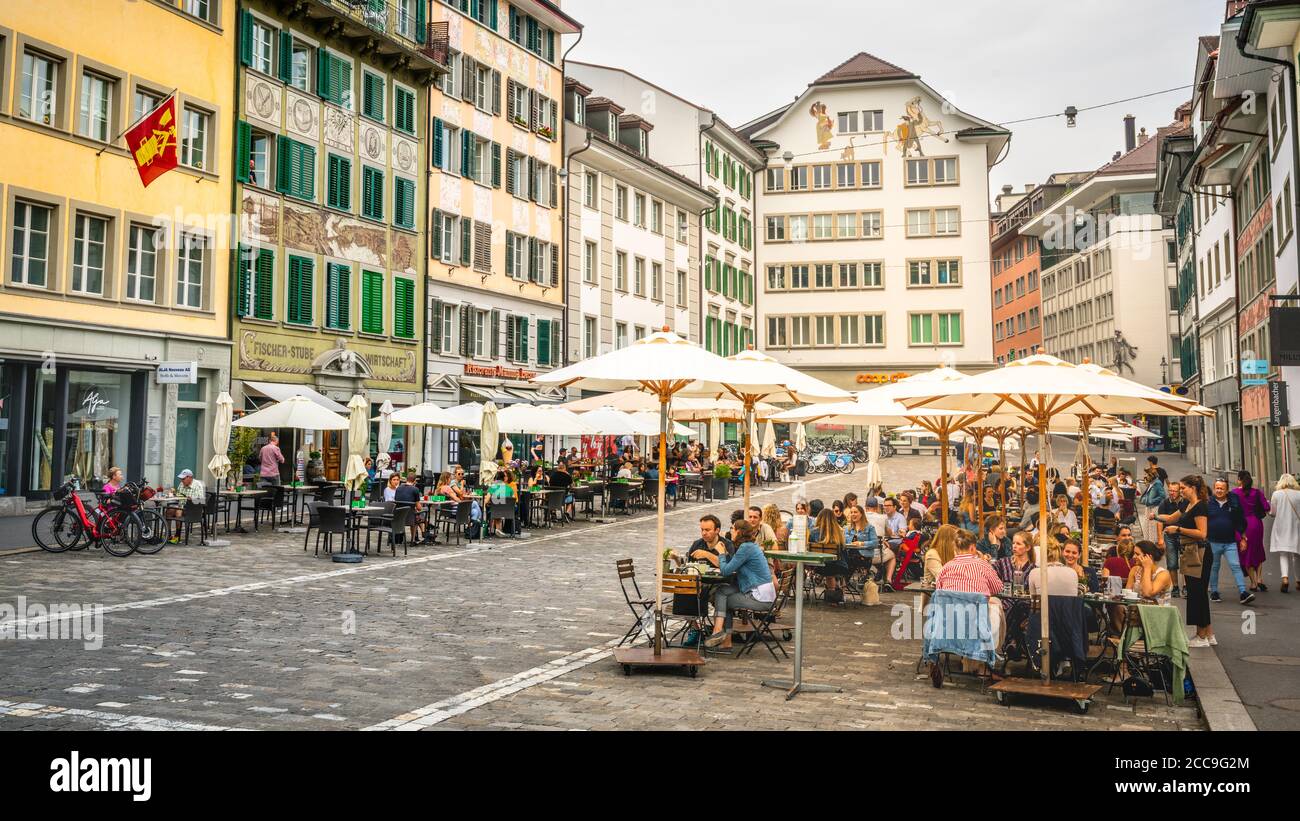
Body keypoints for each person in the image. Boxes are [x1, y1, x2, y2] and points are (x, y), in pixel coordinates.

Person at [932, 528, 1005, 684]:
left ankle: (970, 662)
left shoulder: (946, 568)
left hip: (950, 624)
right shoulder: (982, 565)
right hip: (976, 623)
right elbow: (998, 588)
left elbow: (939, 591)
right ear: (973, 547)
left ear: (955, 548)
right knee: (996, 605)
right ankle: (985, 664)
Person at [703, 520, 776, 649]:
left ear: (739, 531)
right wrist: (725, 554)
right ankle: (725, 640)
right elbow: (732, 565)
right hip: (760, 591)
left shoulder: (746, 548)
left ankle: (718, 632)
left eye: (732, 528)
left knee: (722, 597)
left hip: (761, 597)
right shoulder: (749, 546)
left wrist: (720, 554)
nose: (730, 531)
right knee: (722, 591)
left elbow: (726, 571)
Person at [1166, 475, 1213, 647]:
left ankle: (1201, 636)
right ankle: (1208, 634)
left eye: (1183, 488)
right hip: (1191, 551)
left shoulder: (1200, 506)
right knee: (1198, 592)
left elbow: (1202, 533)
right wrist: (1156, 518)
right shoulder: (1188, 505)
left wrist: (1178, 529)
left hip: (1198, 552)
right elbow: (1171, 518)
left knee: (1196, 593)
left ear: (1192, 488)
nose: (1181, 491)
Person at [1207, 478, 1253, 605]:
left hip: (1230, 542)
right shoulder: (1208, 502)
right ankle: (1214, 592)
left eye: (1222, 488)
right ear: (1214, 488)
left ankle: (1243, 592)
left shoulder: (1233, 504)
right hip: (1212, 541)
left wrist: (1243, 538)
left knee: (1236, 566)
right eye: (1217, 488)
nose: (1219, 490)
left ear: (1227, 490)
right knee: (1214, 567)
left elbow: (1240, 521)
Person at [1233, 470, 1270, 593]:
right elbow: (1266, 507)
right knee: (1257, 549)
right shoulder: (1257, 492)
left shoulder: (1235, 493)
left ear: (1239, 479)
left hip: (1242, 525)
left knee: (1245, 553)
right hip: (1256, 524)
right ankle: (1259, 579)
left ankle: (1253, 582)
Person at [809, 508, 850, 603]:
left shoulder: (813, 532)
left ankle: (831, 592)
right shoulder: (839, 532)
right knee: (834, 568)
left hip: (819, 566)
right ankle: (837, 593)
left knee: (829, 571)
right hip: (839, 566)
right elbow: (844, 550)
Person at [1268, 473, 1300, 594]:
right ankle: (1298, 580)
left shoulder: (1276, 494)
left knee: (1283, 554)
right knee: (1296, 554)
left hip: (1281, 526)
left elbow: (1273, 513)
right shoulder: (1299, 494)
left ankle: (1285, 578)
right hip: (1296, 527)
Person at [1154, 478, 1183, 597]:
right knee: (1172, 563)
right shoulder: (1164, 503)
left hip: (1183, 535)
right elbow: (1159, 521)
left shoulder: (1185, 503)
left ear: (1180, 491)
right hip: (1169, 536)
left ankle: (1186, 587)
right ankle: (1175, 587)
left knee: (1185, 563)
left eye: (1174, 491)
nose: (1171, 493)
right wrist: (1160, 538)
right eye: (1170, 490)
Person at [1128, 540, 1172, 605]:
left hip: (1158, 611)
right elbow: (1127, 593)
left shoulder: (1163, 574)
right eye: (1134, 553)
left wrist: (1147, 568)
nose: (1133, 557)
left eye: (1137, 554)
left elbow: (1147, 593)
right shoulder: (1135, 570)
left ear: (1148, 557)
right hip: (1136, 609)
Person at [394, 472, 429, 543]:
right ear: (415, 480)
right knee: (423, 511)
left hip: (399, 516)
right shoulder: (415, 489)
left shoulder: (398, 488)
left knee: (417, 514)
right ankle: (418, 536)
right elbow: (419, 508)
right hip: (411, 517)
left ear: (406, 479)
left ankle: (423, 532)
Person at [1138, 465, 1167, 542]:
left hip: (1154, 508)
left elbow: (1163, 496)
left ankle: (1152, 544)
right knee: (1147, 526)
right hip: (1149, 508)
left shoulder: (1157, 483)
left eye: (1146, 474)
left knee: (1152, 527)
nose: (1145, 476)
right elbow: (1147, 495)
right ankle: (1147, 542)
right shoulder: (1152, 483)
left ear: (1151, 475)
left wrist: (1151, 501)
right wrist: (1145, 500)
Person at [487, 469, 515, 537]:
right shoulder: (510, 488)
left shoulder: (492, 487)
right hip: (508, 512)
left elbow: (486, 500)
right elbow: (513, 499)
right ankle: (497, 529)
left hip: (495, 511)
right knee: (498, 507)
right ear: (503, 479)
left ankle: (491, 529)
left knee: (490, 507)